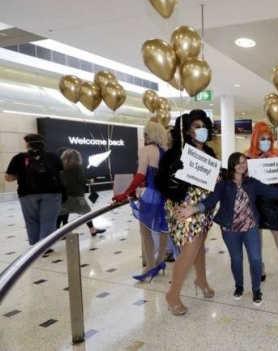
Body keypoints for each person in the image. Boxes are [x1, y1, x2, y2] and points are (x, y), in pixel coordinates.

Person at [176, 152, 278, 306]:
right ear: (232, 165)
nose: (242, 165)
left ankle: (256, 289)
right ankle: (239, 286)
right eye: (238, 162)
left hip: (251, 227)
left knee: (256, 259)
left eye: (244, 162)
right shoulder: (224, 184)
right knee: (236, 259)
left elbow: (270, 191)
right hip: (230, 230)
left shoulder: (251, 183)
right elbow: (212, 200)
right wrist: (194, 208)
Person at [155, 109, 217, 316]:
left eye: (204, 127)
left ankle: (201, 279)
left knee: (199, 246)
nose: (202, 131)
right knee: (189, 251)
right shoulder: (177, 152)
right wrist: (179, 175)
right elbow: (161, 180)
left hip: (204, 207)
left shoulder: (209, 153)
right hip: (183, 207)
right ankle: (173, 294)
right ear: (187, 131)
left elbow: (213, 177)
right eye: (197, 127)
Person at [113, 121, 169, 282]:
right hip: (165, 196)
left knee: (145, 232)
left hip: (151, 195)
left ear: (149, 135)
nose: (143, 137)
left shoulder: (145, 150)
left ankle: (150, 266)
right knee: (163, 229)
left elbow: (140, 175)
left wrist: (126, 193)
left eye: (144, 134)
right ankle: (159, 263)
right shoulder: (165, 151)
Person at [245, 121, 278, 281]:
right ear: (255, 139)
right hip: (254, 198)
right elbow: (240, 178)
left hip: (274, 196)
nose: (265, 141)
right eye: (261, 138)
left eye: (268, 138)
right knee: (255, 234)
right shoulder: (247, 156)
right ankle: (260, 265)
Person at [4, 134, 63, 254]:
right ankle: (45, 246)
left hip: (27, 193)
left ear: (28, 144)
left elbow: (8, 178)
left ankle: (36, 245)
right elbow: (61, 171)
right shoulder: (52, 156)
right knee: (48, 220)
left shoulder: (19, 158)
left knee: (31, 219)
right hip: (52, 193)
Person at [56, 149, 106, 236]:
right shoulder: (77, 166)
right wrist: (90, 181)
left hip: (64, 194)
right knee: (86, 213)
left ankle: (57, 234)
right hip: (76, 194)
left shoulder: (61, 167)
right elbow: (81, 179)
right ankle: (92, 230)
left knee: (63, 214)